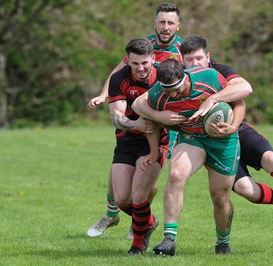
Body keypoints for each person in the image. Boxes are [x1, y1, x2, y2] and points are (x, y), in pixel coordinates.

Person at [133, 35, 273, 233]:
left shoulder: (219, 71)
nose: (195, 63)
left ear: (208, 57)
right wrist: (159, 115)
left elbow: (245, 88)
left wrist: (215, 101)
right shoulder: (176, 81)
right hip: (211, 140)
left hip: (237, 128)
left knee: (270, 158)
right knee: (246, 190)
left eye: (199, 58)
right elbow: (140, 102)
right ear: (182, 62)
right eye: (189, 60)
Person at [86, 3, 183, 239]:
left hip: (162, 123)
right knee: (120, 168)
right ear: (155, 23)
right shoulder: (143, 46)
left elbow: (190, 82)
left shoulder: (182, 52)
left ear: (178, 26)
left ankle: (138, 222)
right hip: (131, 120)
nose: (165, 27)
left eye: (170, 23)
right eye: (162, 22)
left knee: (148, 178)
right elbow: (118, 71)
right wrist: (104, 94)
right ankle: (113, 213)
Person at [135, 58, 247, 255]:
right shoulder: (160, 94)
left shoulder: (209, 77)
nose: (174, 94)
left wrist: (233, 126)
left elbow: (239, 100)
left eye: (177, 88)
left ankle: (223, 241)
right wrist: (157, 117)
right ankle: (169, 239)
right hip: (191, 137)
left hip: (223, 140)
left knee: (220, 197)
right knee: (176, 174)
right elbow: (141, 110)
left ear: (184, 76)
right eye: (168, 90)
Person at [107, 38, 170, 256]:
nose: (141, 68)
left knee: (138, 195)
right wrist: (135, 123)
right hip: (126, 140)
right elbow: (116, 116)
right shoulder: (119, 78)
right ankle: (149, 222)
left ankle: (137, 245)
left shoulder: (164, 76)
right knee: (122, 199)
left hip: (156, 141)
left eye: (145, 63)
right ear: (129, 62)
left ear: (153, 58)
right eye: (135, 64)